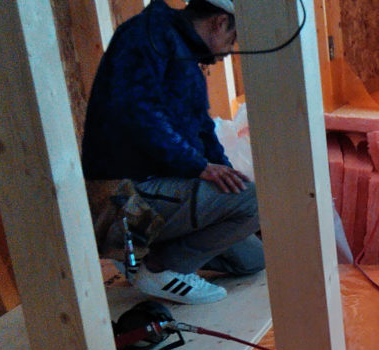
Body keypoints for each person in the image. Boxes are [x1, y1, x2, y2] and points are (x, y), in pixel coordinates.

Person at [82, 0, 259, 305]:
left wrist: (227, 173)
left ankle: (140, 253)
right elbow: (137, 113)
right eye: (232, 38)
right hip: (124, 195)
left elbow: (202, 129)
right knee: (254, 202)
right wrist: (199, 166)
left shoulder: (183, 55)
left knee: (253, 260)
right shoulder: (146, 36)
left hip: (159, 188)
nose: (230, 50)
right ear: (218, 22)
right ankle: (159, 268)